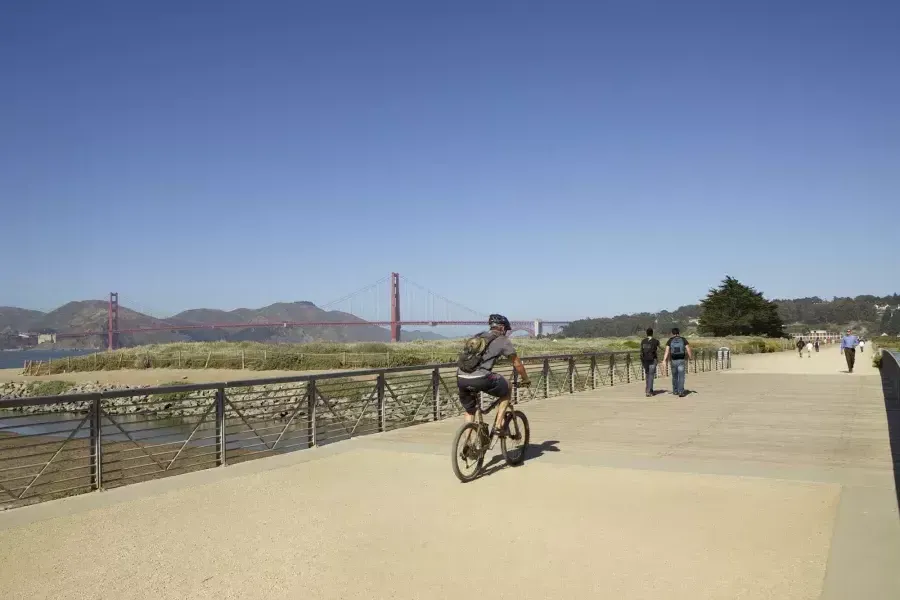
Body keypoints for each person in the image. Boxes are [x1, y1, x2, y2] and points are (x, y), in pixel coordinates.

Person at [456, 314, 531, 439]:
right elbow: (517, 363)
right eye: (506, 329)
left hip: (461, 377)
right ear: (502, 328)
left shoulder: (477, 337)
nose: (506, 332)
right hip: (482, 378)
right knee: (507, 387)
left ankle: (467, 444)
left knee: (470, 410)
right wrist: (525, 379)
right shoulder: (503, 340)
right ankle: (497, 426)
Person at [663, 327, 693, 397]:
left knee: (674, 376)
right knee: (681, 376)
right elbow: (688, 349)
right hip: (681, 360)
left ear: (672, 333)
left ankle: (675, 391)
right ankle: (681, 391)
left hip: (673, 361)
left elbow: (667, 351)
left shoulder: (670, 340)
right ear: (679, 332)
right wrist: (690, 358)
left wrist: (664, 360)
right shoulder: (683, 339)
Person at [639, 327, 661, 397]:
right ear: (652, 333)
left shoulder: (643, 341)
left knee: (647, 374)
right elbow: (660, 347)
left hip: (645, 360)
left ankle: (647, 389)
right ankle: (649, 391)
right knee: (651, 375)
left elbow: (641, 351)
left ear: (646, 333)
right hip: (652, 359)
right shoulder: (655, 341)